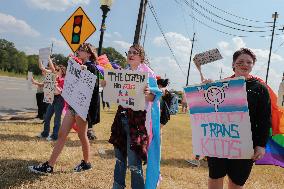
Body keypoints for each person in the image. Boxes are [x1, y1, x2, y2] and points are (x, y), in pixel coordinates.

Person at [196, 48, 271, 189]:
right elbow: (206, 109)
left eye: (249, 62)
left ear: (253, 65)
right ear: (233, 64)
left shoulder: (260, 88)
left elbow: (264, 119)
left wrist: (260, 145)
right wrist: (205, 88)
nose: (245, 64)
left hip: (246, 143)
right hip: (219, 140)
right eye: (240, 61)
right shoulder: (220, 85)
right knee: (215, 175)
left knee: (237, 181)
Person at [28, 43, 100, 174]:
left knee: (82, 135)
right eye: (78, 49)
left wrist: (83, 70)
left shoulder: (92, 67)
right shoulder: (79, 65)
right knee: (62, 134)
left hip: (82, 108)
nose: (78, 51)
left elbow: (93, 86)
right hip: (73, 106)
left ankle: (86, 163)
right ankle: (49, 166)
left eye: (82, 50)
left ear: (89, 54)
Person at [106, 44, 161, 189]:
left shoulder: (148, 74)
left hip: (137, 121)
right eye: (129, 52)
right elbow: (115, 94)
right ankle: (117, 186)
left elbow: (152, 98)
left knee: (134, 162)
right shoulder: (123, 73)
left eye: (134, 52)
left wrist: (148, 91)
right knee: (119, 158)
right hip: (121, 118)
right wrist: (108, 85)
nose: (130, 54)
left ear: (141, 57)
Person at [35, 59, 66, 141]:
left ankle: (55, 136)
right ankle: (45, 133)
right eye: (56, 70)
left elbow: (61, 92)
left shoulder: (63, 80)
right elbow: (42, 68)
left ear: (62, 72)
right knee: (47, 117)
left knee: (57, 119)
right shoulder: (53, 77)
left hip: (59, 100)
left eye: (58, 70)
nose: (56, 71)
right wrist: (40, 59)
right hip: (53, 99)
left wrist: (48, 58)